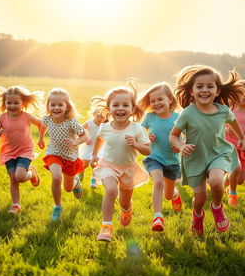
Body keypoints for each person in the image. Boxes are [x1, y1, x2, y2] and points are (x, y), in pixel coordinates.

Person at [169, 65, 245, 236]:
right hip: (195, 158)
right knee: (200, 199)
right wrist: (181, 147)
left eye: (210, 86)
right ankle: (197, 214)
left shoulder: (223, 110)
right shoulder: (188, 113)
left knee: (217, 181)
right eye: (199, 86)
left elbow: (234, 122)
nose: (205, 90)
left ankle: (217, 207)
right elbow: (173, 136)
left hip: (219, 153)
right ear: (191, 91)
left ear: (217, 91)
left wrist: (242, 138)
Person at [90, 80, 151, 242]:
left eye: (125, 105)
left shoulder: (137, 129)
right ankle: (106, 226)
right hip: (108, 165)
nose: (120, 108)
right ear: (109, 108)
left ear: (132, 109)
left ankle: (126, 209)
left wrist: (136, 144)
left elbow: (148, 150)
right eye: (116, 105)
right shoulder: (105, 127)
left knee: (124, 200)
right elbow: (99, 139)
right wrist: (95, 155)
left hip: (128, 168)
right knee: (111, 191)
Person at [0, 85, 43, 214]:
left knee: (20, 176)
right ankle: (16, 205)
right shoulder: (2, 117)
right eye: (9, 103)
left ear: (23, 103)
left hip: (25, 150)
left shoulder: (26, 116)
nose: (12, 105)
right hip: (8, 153)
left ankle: (30, 173)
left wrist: (41, 138)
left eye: (16, 103)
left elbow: (41, 124)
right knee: (13, 179)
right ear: (4, 103)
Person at [138, 82, 182, 232]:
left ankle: (175, 193)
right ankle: (158, 217)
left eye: (160, 99)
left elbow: (187, 137)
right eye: (153, 101)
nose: (156, 103)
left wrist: (179, 145)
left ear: (170, 99)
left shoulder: (178, 117)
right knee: (158, 182)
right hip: (154, 158)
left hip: (172, 162)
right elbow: (140, 133)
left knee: (168, 195)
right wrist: (146, 139)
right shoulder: (150, 117)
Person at [38, 88, 87, 221]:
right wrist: (41, 138)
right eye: (53, 104)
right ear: (48, 106)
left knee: (68, 188)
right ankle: (57, 206)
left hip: (69, 157)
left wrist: (76, 141)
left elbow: (85, 136)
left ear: (67, 107)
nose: (56, 107)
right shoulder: (47, 119)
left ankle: (76, 183)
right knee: (56, 177)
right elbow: (43, 126)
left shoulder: (71, 122)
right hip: (54, 153)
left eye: (60, 105)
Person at [225, 80, 245, 205]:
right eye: (241, 94)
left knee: (240, 180)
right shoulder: (230, 109)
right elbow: (221, 123)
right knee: (235, 168)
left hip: (243, 147)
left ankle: (227, 182)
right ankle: (233, 194)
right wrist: (226, 129)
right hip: (230, 145)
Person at [79, 107, 107, 189]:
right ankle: (81, 171)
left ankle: (93, 179)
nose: (99, 119)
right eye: (98, 116)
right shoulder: (89, 123)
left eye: (102, 117)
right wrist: (85, 139)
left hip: (99, 148)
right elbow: (79, 130)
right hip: (88, 147)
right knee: (85, 164)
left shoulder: (104, 126)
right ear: (94, 115)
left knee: (96, 165)